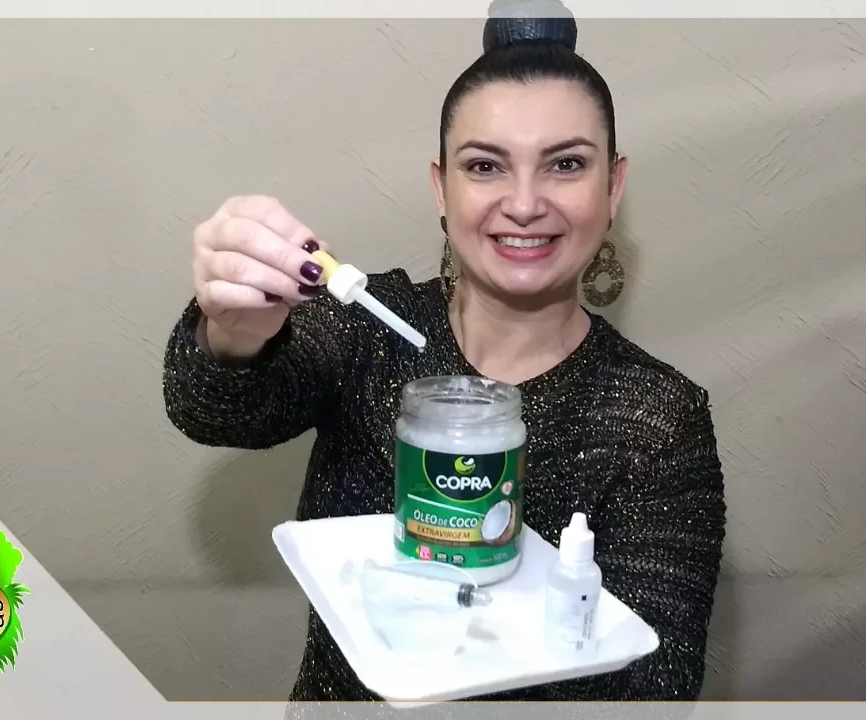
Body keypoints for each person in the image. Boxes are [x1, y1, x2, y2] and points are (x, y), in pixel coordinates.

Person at [161, 1, 727, 707]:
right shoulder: (371, 328)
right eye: (485, 165)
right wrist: (236, 327)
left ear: (612, 187)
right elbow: (216, 410)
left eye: (566, 164)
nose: (525, 203)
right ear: (442, 187)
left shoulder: (657, 417)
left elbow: (656, 687)